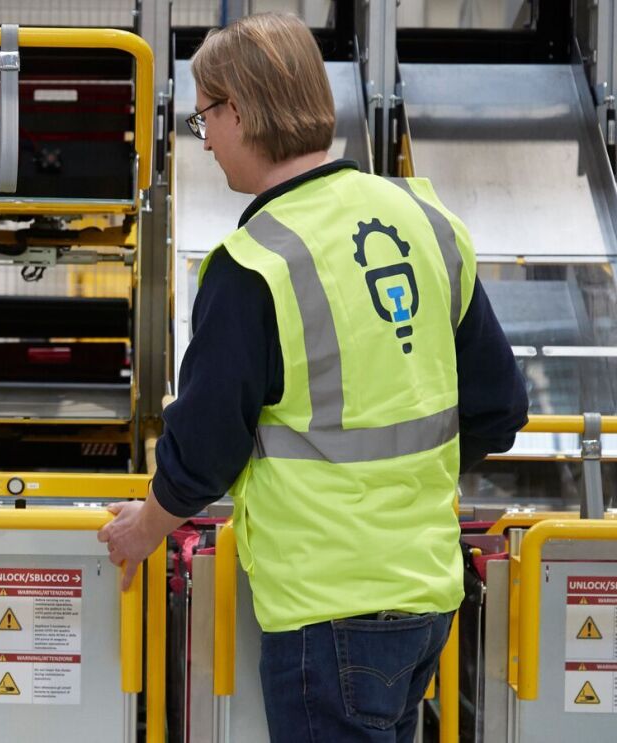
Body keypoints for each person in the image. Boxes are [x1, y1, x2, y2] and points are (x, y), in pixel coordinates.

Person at [99, 12, 527, 742]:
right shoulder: (424, 218)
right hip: (426, 592)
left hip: (327, 614)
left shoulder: (255, 261)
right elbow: (499, 408)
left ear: (237, 109)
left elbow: (203, 451)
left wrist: (141, 530)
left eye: (205, 117)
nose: (206, 142)